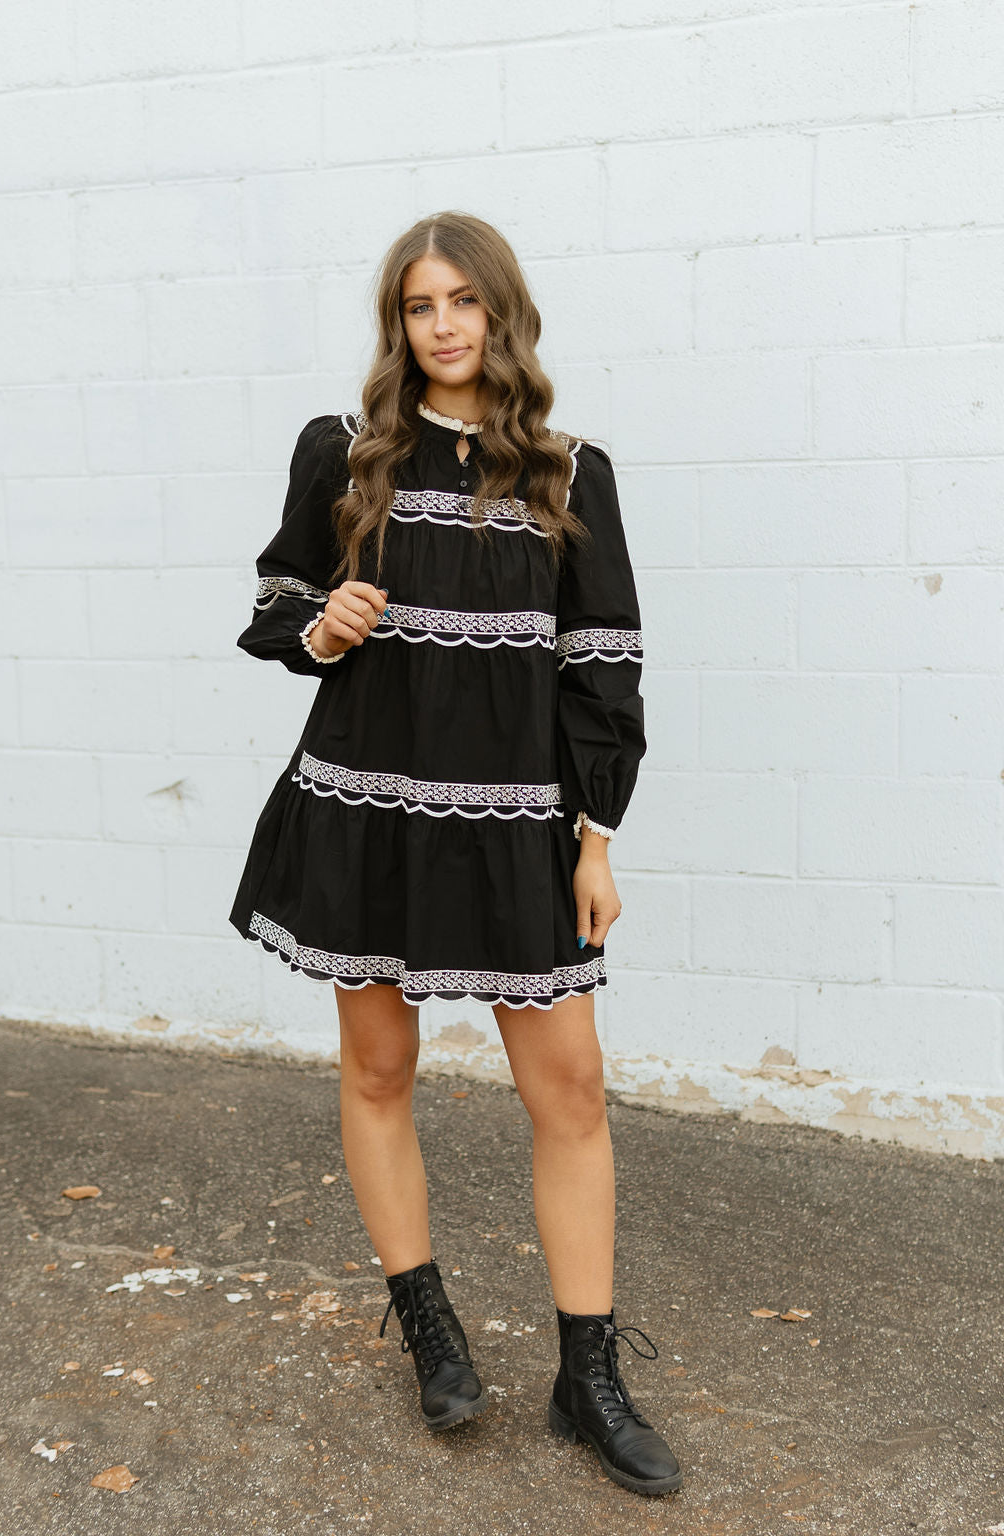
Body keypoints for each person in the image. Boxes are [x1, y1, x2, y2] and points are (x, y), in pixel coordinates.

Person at [228, 211, 682, 1499]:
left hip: (515, 821)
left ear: (500, 314)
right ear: (400, 321)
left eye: (463, 302)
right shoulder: (347, 452)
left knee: (571, 1090)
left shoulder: (568, 470)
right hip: (368, 803)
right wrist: (324, 623)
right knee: (379, 1067)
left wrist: (595, 834)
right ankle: (429, 1327)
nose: (443, 325)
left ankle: (584, 1372)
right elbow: (274, 600)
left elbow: (604, 664)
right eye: (421, 305)